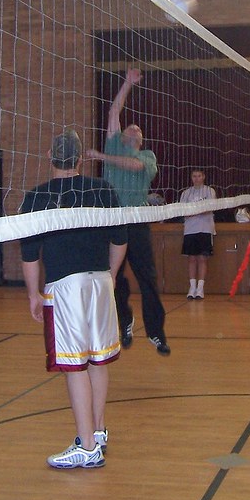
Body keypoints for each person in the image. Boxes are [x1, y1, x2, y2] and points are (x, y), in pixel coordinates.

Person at [20, 128, 126, 470]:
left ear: (50, 156)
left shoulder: (36, 197)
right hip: (100, 282)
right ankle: (97, 431)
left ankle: (86, 446)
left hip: (66, 287)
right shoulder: (102, 189)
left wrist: (33, 295)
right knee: (97, 359)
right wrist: (109, 275)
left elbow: (29, 254)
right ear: (80, 159)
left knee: (74, 365)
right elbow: (120, 240)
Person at [85, 68, 170, 354]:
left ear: (140, 141)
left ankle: (156, 333)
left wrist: (100, 157)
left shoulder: (147, 157)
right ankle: (125, 322)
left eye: (138, 130)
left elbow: (133, 167)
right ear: (121, 136)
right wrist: (127, 83)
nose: (133, 128)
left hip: (136, 221)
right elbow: (114, 111)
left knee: (148, 277)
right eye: (129, 127)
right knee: (113, 279)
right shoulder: (114, 142)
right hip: (111, 222)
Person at [179, 168, 216, 299]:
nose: (196, 178)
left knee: (202, 258)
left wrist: (194, 212)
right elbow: (183, 211)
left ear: (203, 177)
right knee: (191, 259)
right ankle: (192, 287)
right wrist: (195, 212)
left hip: (205, 229)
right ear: (191, 177)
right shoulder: (186, 193)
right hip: (190, 230)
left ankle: (200, 289)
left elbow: (209, 209)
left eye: (199, 176)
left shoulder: (209, 191)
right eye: (194, 176)